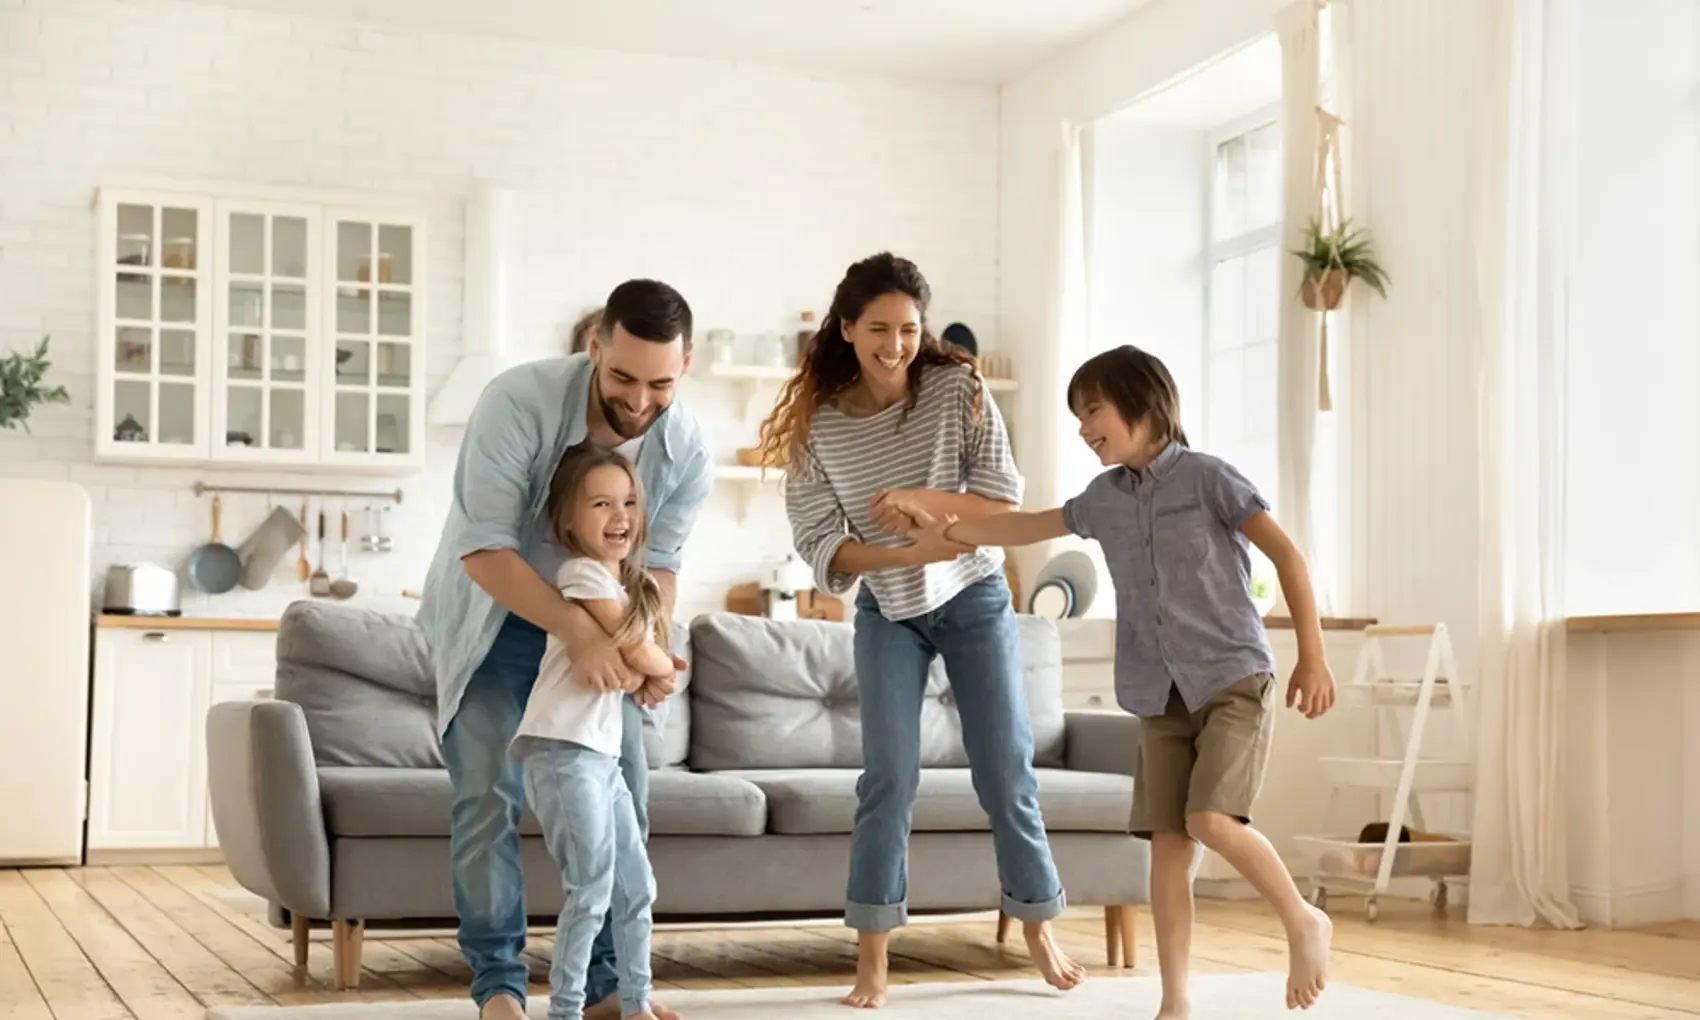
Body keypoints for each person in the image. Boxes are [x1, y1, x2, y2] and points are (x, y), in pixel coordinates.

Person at [902, 344, 1337, 1017]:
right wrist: (953, 529)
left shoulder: (1209, 479)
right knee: (1168, 848)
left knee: (1209, 820)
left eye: (1093, 410)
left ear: (1144, 402)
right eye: (1077, 416)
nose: (1083, 428)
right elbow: (1028, 524)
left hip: (1232, 679)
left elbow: (1286, 555)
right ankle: (1175, 1002)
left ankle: (1302, 919)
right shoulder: (1103, 500)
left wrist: (1312, 654)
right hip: (1158, 694)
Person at [755, 252, 1086, 1010]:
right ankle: (872, 959)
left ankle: (1037, 924)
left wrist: (918, 502)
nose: (896, 344)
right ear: (846, 330)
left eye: (909, 328)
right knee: (888, 782)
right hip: (888, 609)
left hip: (973, 598)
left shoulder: (957, 389)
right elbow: (819, 544)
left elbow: (1003, 497)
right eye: (879, 328)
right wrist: (909, 548)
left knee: (1005, 772)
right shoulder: (819, 427)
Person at [418, 279, 713, 1020]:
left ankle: (611, 989)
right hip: (497, 617)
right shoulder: (517, 402)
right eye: (621, 378)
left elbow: (663, 566)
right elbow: (484, 549)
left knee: (627, 804)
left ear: (687, 365)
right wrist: (579, 632)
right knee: (487, 798)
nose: (639, 401)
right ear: (593, 348)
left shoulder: (685, 449)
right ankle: (500, 992)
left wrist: (650, 649)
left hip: (607, 625)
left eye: (661, 384)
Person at [515, 445, 672, 1020]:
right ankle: (565, 1010)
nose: (619, 515)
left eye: (628, 502)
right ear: (568, 521)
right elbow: (641, 653)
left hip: (599, 757)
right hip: (561, 749)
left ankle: (636, 1005)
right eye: (601, 503)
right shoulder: (580, 573)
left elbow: (644, 659)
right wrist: (653, 668)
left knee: (638, 888)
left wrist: (649, 668)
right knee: (593, 889)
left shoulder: (627, 589)